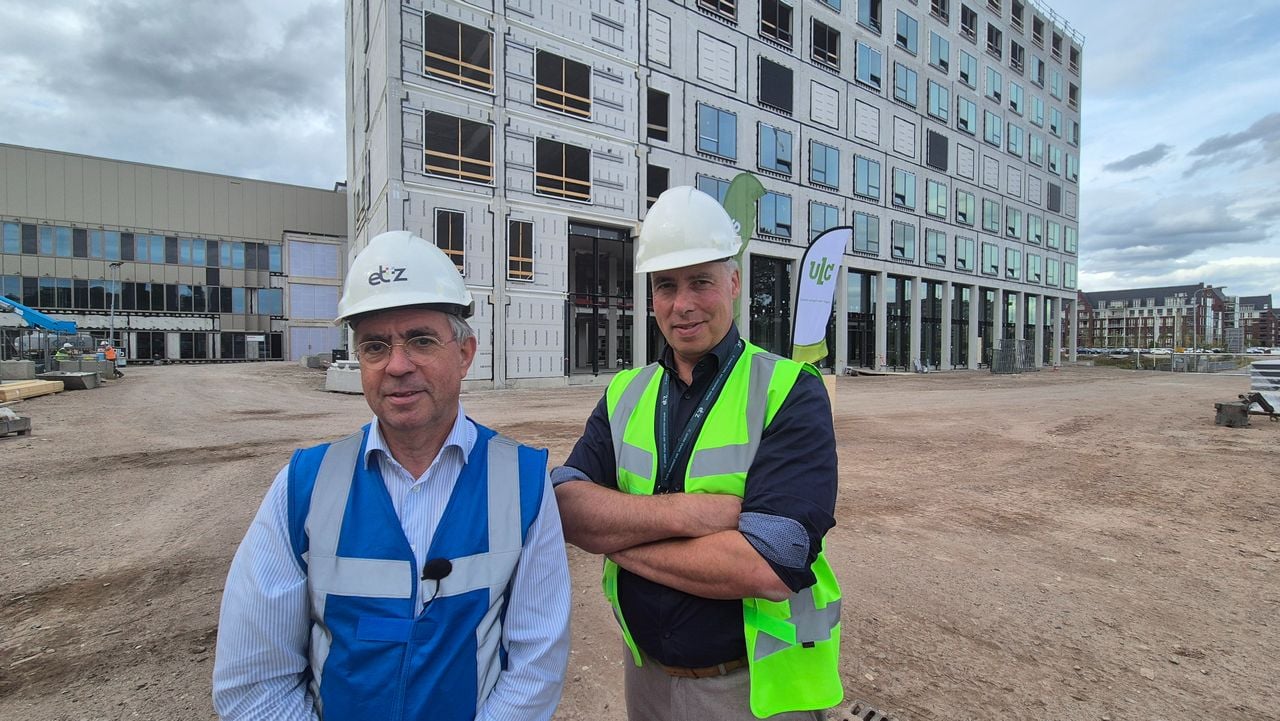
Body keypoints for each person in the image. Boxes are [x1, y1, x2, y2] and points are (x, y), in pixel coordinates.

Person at [213, 230, 572, 720]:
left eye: (420, 341)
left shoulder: (523, 482)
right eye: (375, 346)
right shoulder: (303, 487)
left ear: (465, 354)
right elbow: (254, 680)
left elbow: (535, 668)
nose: (397, 366)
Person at [553, 187, 843, 721]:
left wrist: (615, 540)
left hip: (751, 688)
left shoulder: (789, 391)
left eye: (700, 282)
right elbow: (568, 505)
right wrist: (694, 513)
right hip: (646, 677)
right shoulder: (626, 393)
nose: (682, 304)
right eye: (666, 285)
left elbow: (769, 565)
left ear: (733, 282)